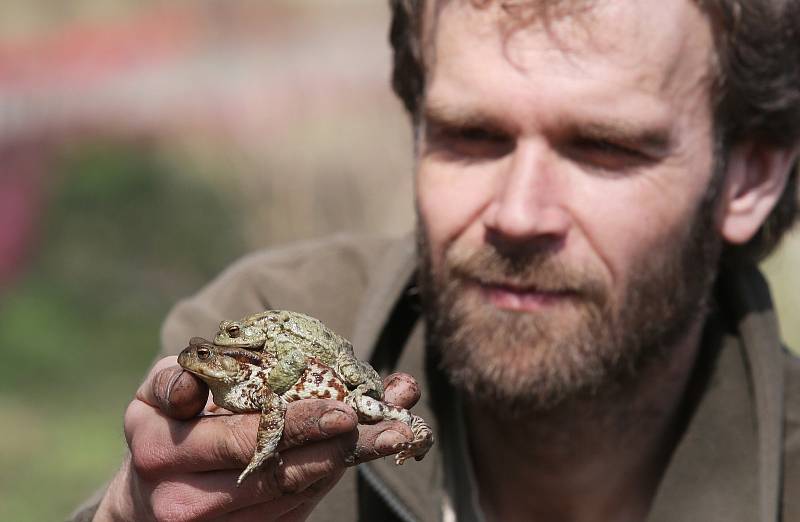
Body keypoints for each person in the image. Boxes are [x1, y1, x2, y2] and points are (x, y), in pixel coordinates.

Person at [74, 0, 800, 520]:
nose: (518, 214)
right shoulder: (270, 306)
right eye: (471, 135)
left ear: (751, 177)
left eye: (603, 147)